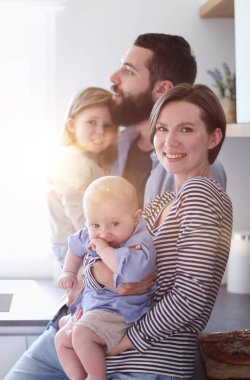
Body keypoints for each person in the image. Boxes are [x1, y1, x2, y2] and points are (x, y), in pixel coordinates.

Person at [4, 33, 227, 380]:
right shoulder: (111, 148)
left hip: (123, 334)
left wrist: (124, 335)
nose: (113, 78)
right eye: (163, 129)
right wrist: (93, 273)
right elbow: (93, 241)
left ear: (160, 88)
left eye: (127, 70)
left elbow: (169, 284)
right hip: (83, 315)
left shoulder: (195, 181)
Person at [90, 83, 233, 379]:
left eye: (186, 129)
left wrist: (124, 341)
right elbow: (104, 252)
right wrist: (94, 276)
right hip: (122, 363)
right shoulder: (162, 203)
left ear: (213, 137)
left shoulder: (201, 192)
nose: (169, 141)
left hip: (151, 366)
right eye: (162, 129)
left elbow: (190, 298)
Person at [55, 176, 156, 380]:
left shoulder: (140, 243)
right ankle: (77, 377)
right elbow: (75, 247)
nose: (104, 233)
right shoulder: (91, 232)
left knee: (81, 335)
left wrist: (102, 249)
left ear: (136, 218)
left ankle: (95, 376)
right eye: (95, 225)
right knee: (61, 339)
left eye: (114, 224)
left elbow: (126, 272)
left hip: (121, 312)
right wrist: (68, 272)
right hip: (95, 307)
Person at [47, 87, 118, 267]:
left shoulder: (95, 160)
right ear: (72, 125)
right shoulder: (72, 162)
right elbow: (78, 214)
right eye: (91, 122)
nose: (100, 131)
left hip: (83, 240)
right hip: (73, 248)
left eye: (108, 125)